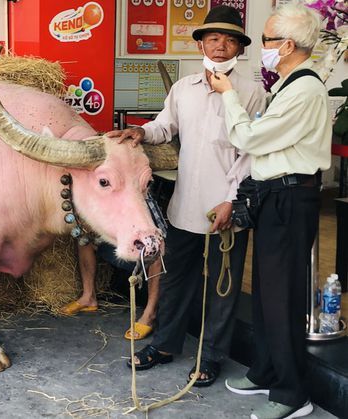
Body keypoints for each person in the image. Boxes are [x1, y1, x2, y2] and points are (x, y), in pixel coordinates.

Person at [113, 5, 266, 387]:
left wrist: (233, 200)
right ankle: (165, 345)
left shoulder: (251, 93)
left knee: (222, 287)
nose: (221, 46)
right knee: (176, 278)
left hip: (225, 208)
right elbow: (166, 126)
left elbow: (251, 155)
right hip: (184, 205)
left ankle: (211, 357)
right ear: (201, 42)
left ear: (239, 49)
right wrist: (142, 133)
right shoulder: (184, 89)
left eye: (230, 40)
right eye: (213, 38)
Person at [210, 4, 331, 418]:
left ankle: (293, 393)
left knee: (283, 298)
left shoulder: (304, 90)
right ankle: (264, 370)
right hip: (273, 196)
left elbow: (250, 138)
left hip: (291, 198)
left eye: (265, 39)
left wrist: (228, 97)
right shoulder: (286, 84)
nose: (260, 47)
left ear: (288, 45)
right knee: (264, 294)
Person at [61, 243, 162, 341]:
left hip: (148, 249)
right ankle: (88, 297)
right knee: (84, 238)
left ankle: (150, 314)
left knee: (158, 253)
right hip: (127, 241)